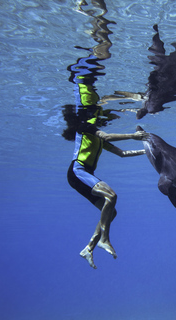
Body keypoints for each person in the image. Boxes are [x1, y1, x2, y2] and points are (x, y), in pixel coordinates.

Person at [62, 104, 147, 269]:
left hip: (85, 175)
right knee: (112, 196)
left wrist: (145, 151)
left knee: (111, 212)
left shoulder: (98, 138)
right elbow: (106, 136)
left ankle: (89, 248)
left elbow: (122, 153)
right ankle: (104, 239)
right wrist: (133, 135)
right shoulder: (84, 126)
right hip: (77, 171)